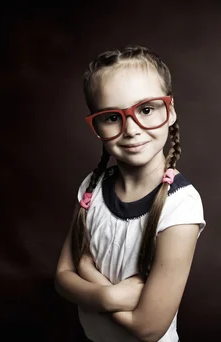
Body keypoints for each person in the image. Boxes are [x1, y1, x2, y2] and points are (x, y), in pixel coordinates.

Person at [54, 45, 207, 342]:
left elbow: (147, 328)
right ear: (96, 125)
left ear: (170, 110)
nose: (132, 129)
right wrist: (110, 297)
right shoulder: (92, 186)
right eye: (112, 117)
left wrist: (86, 272)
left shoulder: (180, 207)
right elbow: (62, 278)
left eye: (146, 109)